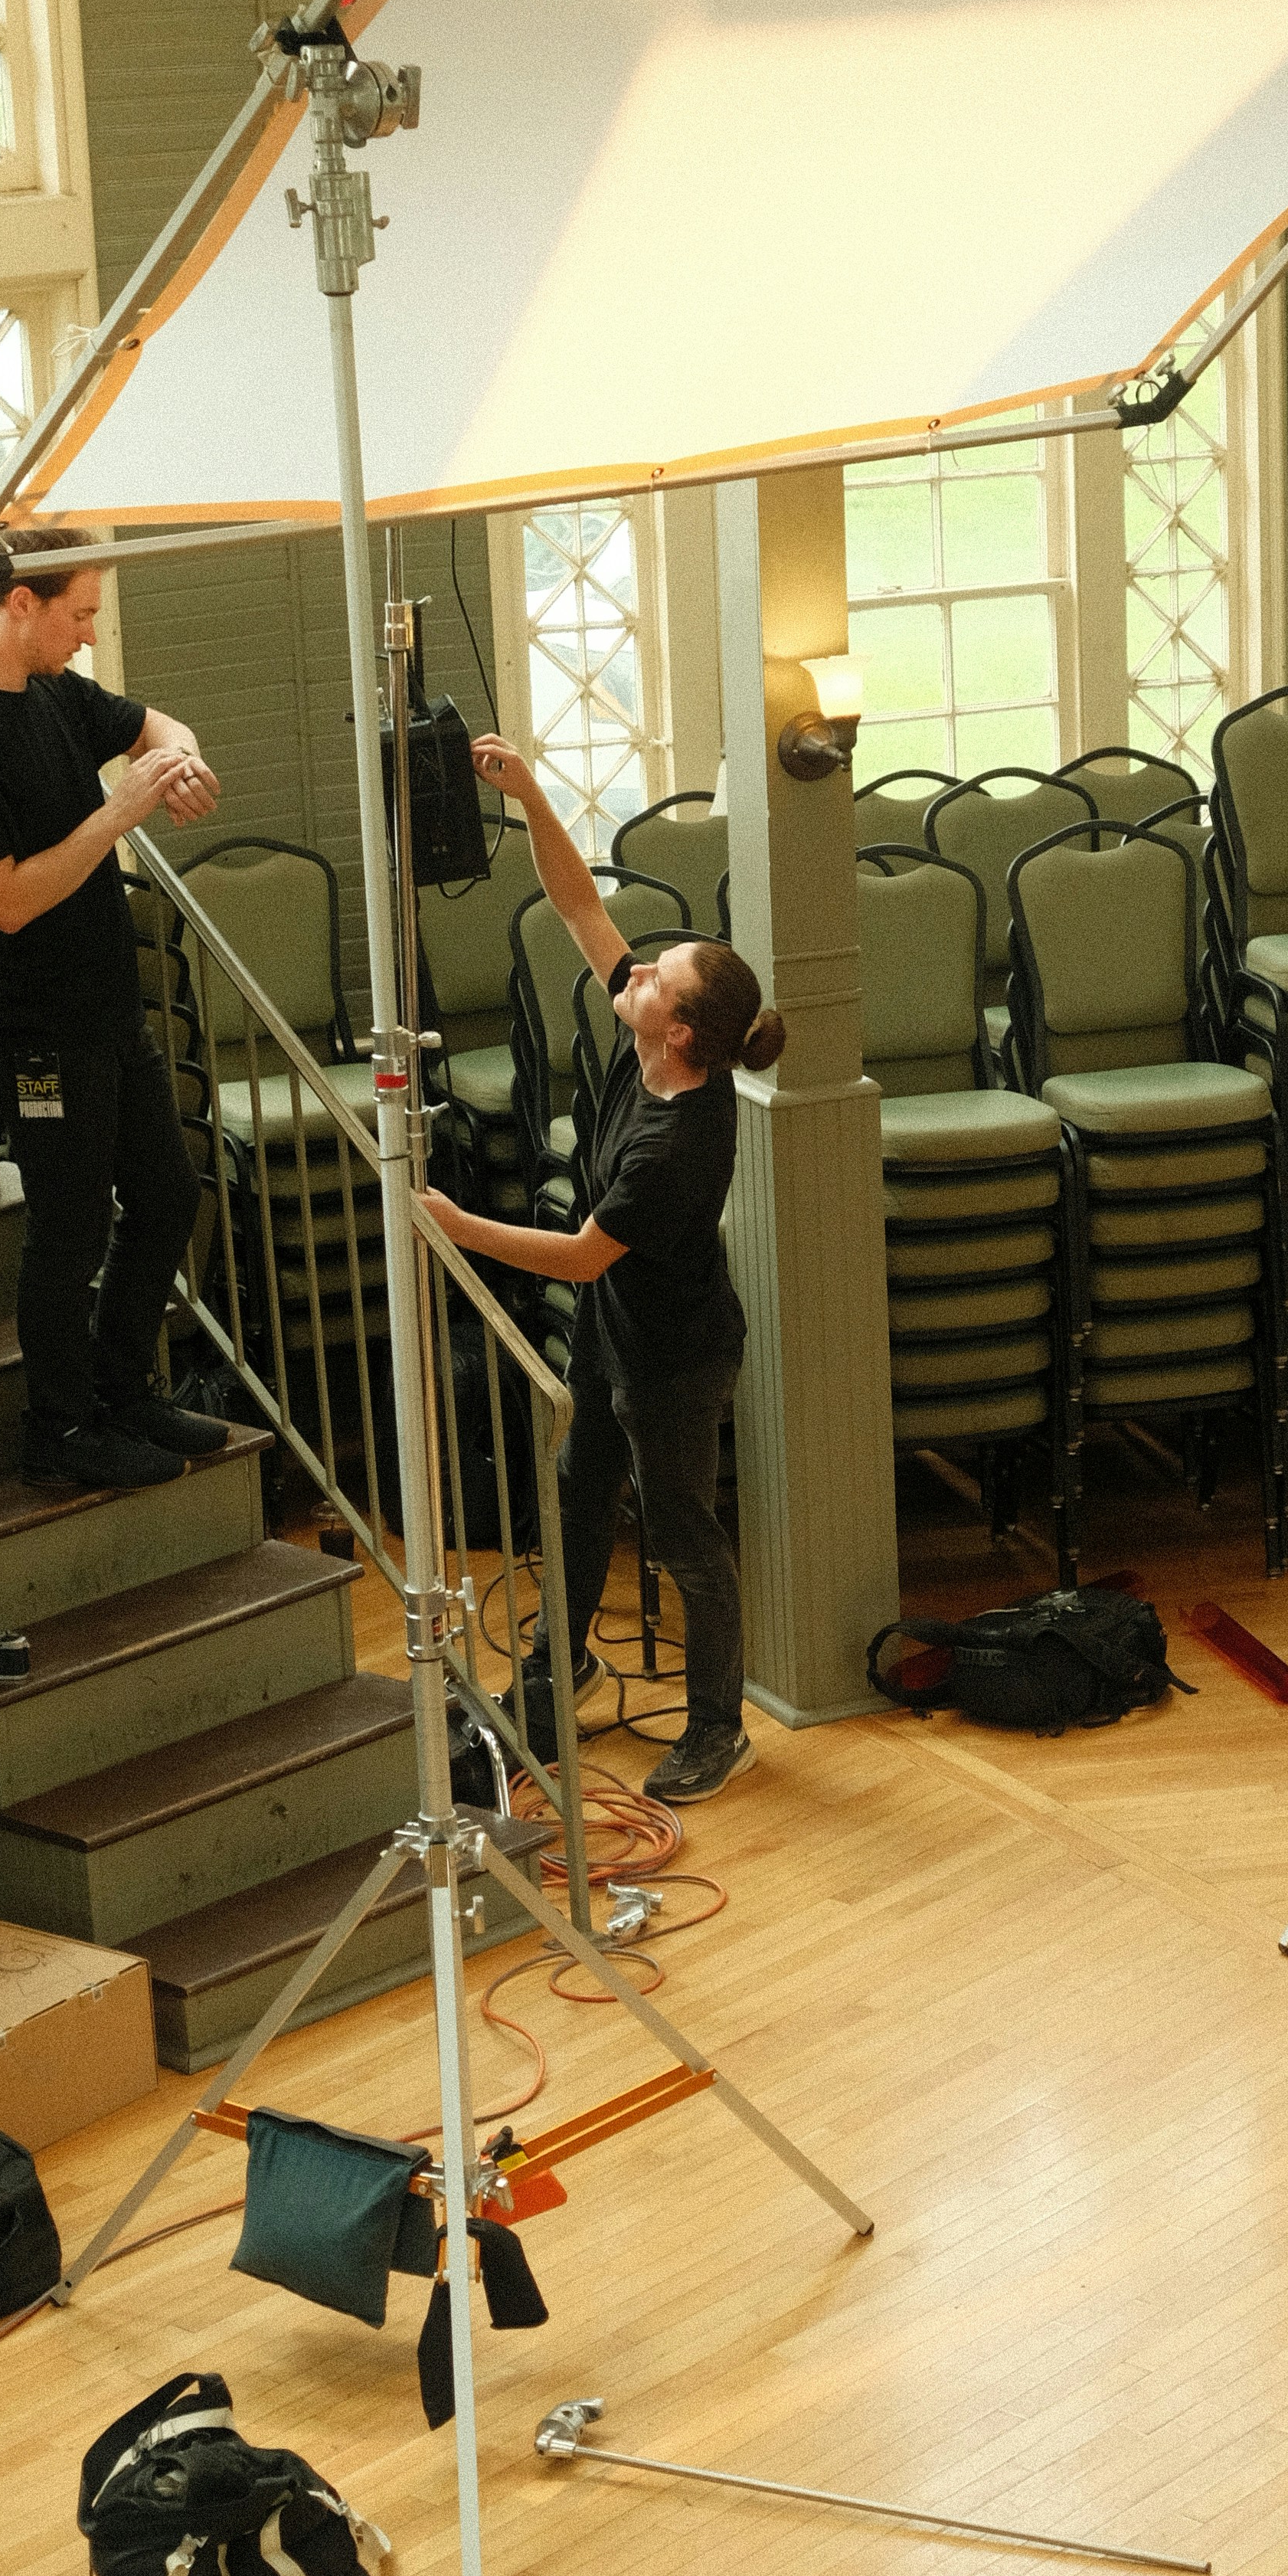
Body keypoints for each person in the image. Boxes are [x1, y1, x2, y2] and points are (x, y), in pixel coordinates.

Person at [423, 739, 776, 1808]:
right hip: (619, 1336)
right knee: (579, 1502)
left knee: (681, 1535)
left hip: (675, 1361)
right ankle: (558, 1666)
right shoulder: (652, 1044)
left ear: (678, 1029)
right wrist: (529, 792)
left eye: (658, 977)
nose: (639, 969)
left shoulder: (678, 1148)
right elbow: (578, 906)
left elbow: (580, 1255)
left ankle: (719, 1728)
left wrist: (453, 1224)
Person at [0, 524, 229, 1494]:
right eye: (79, 613)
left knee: (169, 1194)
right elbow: (3, 900)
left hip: (104, 1009)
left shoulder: (51, 692)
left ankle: (122, 1389)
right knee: (70, 1224)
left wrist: (177, 763)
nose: (88, 636)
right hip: (32, 1028)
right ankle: (59, 1428)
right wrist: (117, 813)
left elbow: (155, 727)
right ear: (21, 605)